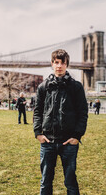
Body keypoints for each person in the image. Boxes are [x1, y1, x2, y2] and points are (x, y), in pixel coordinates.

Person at [33, 49, 88, 195]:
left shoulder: (76, 87)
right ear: (52, 64)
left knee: (70, 182)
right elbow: (37, 111)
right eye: (56, 62)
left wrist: (77, 136)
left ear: (67, 65)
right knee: (45, 182)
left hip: (68, 142)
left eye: (62, 63)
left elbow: (83, 113)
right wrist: (38, 133)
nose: (59, 66)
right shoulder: (43, 87)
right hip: (48, 142)